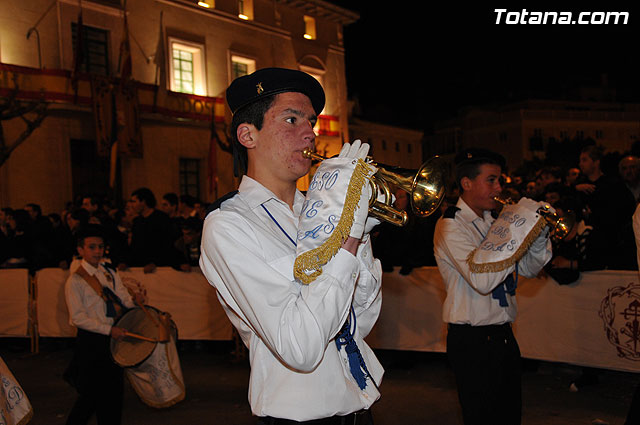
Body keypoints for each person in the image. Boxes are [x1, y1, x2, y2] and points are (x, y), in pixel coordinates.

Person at [199, 67, 383, 424]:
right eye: (291, 119)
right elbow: (299, 347)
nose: (309, 134)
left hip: (360, 407)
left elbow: (361, 321)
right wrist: (348, 238)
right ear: (247, 135)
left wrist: (356, 234)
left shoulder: (319, 211)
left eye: (311, 122)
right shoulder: (228, 225)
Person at [433, 148, 552, 425]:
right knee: (482, 418)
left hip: (503, 334)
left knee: (510, 416)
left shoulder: (495, 224)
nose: (499, 188)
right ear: (467, 183)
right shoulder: (450, 225)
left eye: (500, 181)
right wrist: (515, 227)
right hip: (472, 340)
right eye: (492, 180)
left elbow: (528, 269)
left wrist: (537, 233)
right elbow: (482, 279)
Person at [63, 224, 144, 425]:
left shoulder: (110, 272)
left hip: (114, 339)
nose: (98, 251)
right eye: (92, 247)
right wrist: (109, 330)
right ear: (80, 250)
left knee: (114, 395)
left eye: (100, 247)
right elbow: (77, 318)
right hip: (92, 341)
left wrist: (136, 302)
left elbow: (124, 299)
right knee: (90, 397)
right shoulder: (76, 280)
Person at [121, 187, 176, 273]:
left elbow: (167, 245)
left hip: (160, 269)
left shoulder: (161, 219)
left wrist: (155, 263)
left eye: (134, 201)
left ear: (143, 202)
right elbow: (134, 246)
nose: (132, 205)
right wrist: (125, 262)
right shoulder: (137, 221)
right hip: (140, 268)